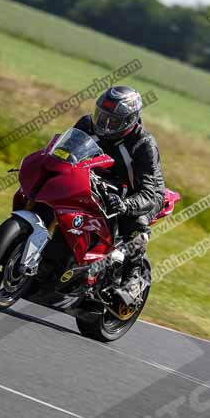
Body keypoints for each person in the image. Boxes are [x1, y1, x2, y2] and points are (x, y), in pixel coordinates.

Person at [74, 85, 166, 306]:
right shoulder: (87, 124)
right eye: (102, 116)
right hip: (102, 178)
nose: (105, 123)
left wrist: (126, 205)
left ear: (129, 120)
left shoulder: (143, 144)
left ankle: (132, 279)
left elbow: (148, 193)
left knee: (135, 223)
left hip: (141, 192)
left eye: (112, 120)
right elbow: (69, 151)